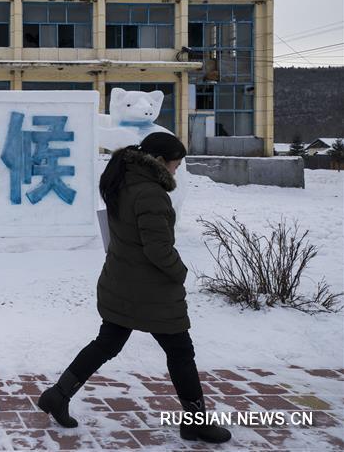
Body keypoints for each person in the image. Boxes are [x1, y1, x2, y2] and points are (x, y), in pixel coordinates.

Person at [37, 132, 231, 444]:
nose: (175, 171)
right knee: (181, 352)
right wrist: (179, 271)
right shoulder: (151, 193)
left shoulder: (122, 180)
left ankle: (58, 395)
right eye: (175, 165)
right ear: (158, 161)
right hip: (151, 291)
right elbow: (158, 250)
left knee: (107, 344)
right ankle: (195, 422)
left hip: (122, 282)